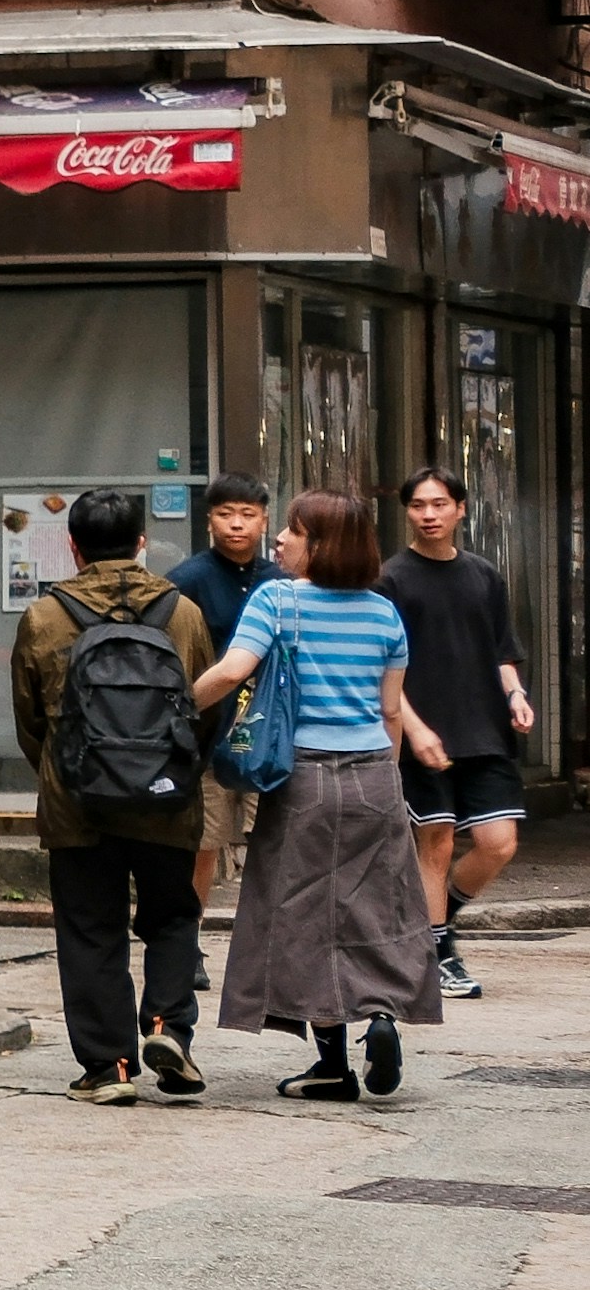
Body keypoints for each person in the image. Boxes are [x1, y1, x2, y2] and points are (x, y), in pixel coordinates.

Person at [194, 488, 451, 1100]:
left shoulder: (276, 600)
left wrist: (175, 707)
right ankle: (383, 1016)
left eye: (293, 530)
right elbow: (390, 712)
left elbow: (232, 673)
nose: (279, 540)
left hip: (300, 777)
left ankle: (333, 1064)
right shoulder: (384, 614)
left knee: (303, 912)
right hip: (374, 777)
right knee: (379, 906)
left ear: (321, 545)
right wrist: (382, 777)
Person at [9, 486, 217, 1107]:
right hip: (166, 799)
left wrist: (62, 771)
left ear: (71, 547)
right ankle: (166, 1028)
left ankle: (109, 1068)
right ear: (142, 543)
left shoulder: (45, 617)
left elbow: (30, 721)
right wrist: (173, 772)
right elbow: (202, 709)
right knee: (173, 916)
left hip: (79, 806)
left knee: (90, 930)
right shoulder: (182, 613)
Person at [380, 466, 526, 1007]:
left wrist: (515, 694)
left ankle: (434, 922)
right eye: (419, 505)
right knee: (435, 841)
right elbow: (386, 668)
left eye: (440, 504)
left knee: (498, 843)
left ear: (460, 509)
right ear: (408, 512)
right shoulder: (390, 578)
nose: (429, 514)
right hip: (424, 732)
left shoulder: (484, 575)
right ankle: (439, 954)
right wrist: (413, 730)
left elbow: (502, 651)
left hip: (483, 727)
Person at [169, 476, 279, 938]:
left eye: (248, 515)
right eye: (225, 514)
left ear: (264, 520)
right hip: (208, 731)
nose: (236, 525)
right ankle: (187, 941)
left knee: (272, 841)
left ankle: (268, 938)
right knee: (203, 844)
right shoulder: (186, 580)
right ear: (209, 519)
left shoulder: (280, 581)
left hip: (270, 731)